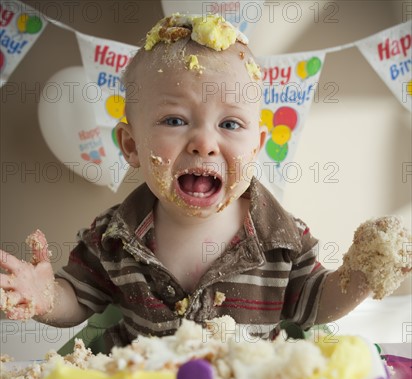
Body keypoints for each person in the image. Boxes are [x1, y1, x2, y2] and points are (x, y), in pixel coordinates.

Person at [0, 14, 407, 350]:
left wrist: (362, 275)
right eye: (175, 120)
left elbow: (315, 303)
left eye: (230, 123)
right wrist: (46, 298)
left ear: (257, 146)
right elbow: (79, 298)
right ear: (131, 145)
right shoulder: (114, 237)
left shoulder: (282, 239)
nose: (205, 143)